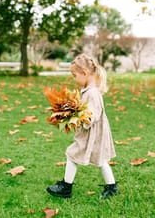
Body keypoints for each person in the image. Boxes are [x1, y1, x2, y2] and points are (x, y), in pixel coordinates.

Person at [46, 53, 118, 199]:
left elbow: (92, 116)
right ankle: (112, 187)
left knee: (72, 155)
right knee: (101, 160)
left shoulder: (92, 93)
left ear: (84, 73)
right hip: (92, 133)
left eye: (75, 75)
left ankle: (66, 188)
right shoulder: (89, 91)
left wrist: (76, 117)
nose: (75, 79)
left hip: (91, 134)